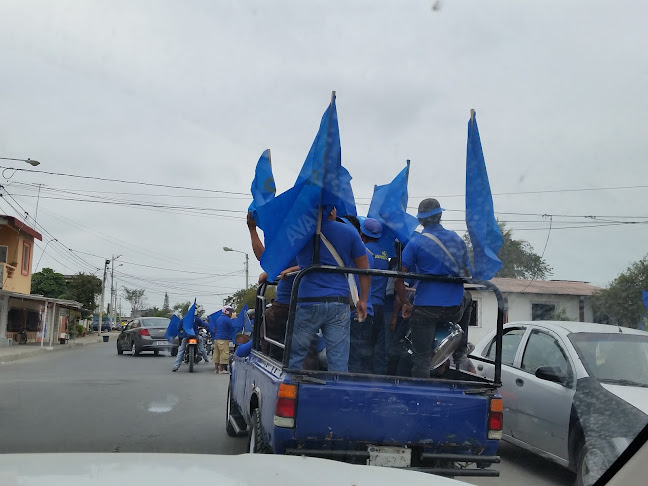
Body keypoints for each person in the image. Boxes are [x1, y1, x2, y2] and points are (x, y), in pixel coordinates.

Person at [395, 198, 473, 379]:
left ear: (421, 221)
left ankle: (420, 399)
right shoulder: (457, 240)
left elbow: (399, 278)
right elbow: (467, 273)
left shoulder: (415, 243)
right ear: (440, 216)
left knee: (421, 359)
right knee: (467, 297)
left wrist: (406, 303)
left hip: (426, 309)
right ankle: (460, 350)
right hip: (454, 309)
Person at [288, 205, 370, 373]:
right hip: (338, 303)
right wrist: (363, 300)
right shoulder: (349, 232)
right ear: (332, 211)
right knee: (338, 363)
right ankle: (336, 395)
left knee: (296, 357)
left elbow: (277, 256)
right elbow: (364, 270)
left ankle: (295, 390)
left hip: (307, 301)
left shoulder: (299, 232)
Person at [247, 212, 298, 361]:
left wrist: (252, 230)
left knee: (267, 334)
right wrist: (270, 272)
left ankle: (267, 360)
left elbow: (264, 258)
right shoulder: (311, 237)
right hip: (309, 302)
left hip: (287, 303)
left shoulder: (297, 239)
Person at [359, 217, 389, 375]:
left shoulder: (364, 252)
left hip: (366, 306)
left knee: (362, 347)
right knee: (377, 347)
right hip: (380, 306)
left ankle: (361, 380)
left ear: (362, 233)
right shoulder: (384, 253)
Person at [172, 307, 210, 372]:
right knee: (201, 348)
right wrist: (210, 325)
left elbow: (178, 327)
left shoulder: (184, 318)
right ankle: (206, 358)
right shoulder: (197, 319)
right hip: (195, 336)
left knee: (181, 351)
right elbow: (204, 324)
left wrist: (181, 333)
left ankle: (176, 366)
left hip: (186, 337)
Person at [213, 305, 234, 374]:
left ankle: (216, 369)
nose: (231, 314)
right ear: (227, 312)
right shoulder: (227, 319)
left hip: (216, 339)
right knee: (224, 354)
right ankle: (222, 369)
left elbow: (215, 329)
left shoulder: (219, 318)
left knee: (216, 354)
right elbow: (233, 327)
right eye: (231, 312)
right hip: (223, 339)